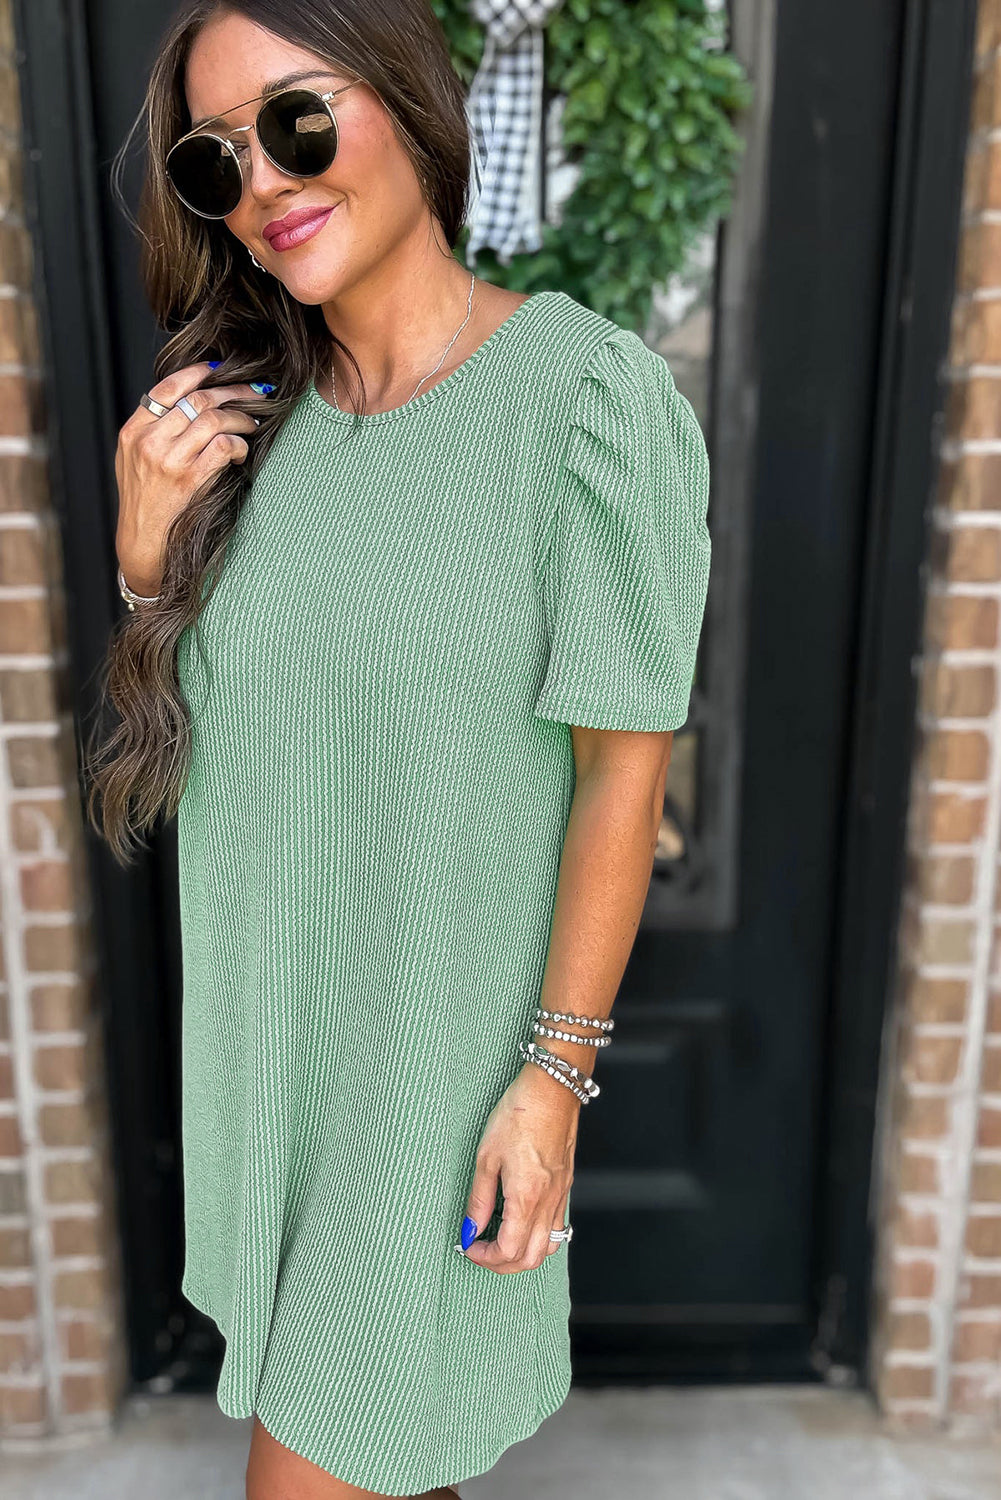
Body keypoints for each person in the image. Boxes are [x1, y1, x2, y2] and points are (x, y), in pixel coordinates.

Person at [85, 2, 712, 1496]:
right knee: (389, 1458)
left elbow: (620, 774)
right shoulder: (244, 428)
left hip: (431, 1081)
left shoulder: (584, 404)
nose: (263, 182)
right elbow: (215, 769)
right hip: (277, 1061)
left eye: (294, 121)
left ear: (407, 97)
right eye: (214, 161)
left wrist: (553, 1080)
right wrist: (146, 573)